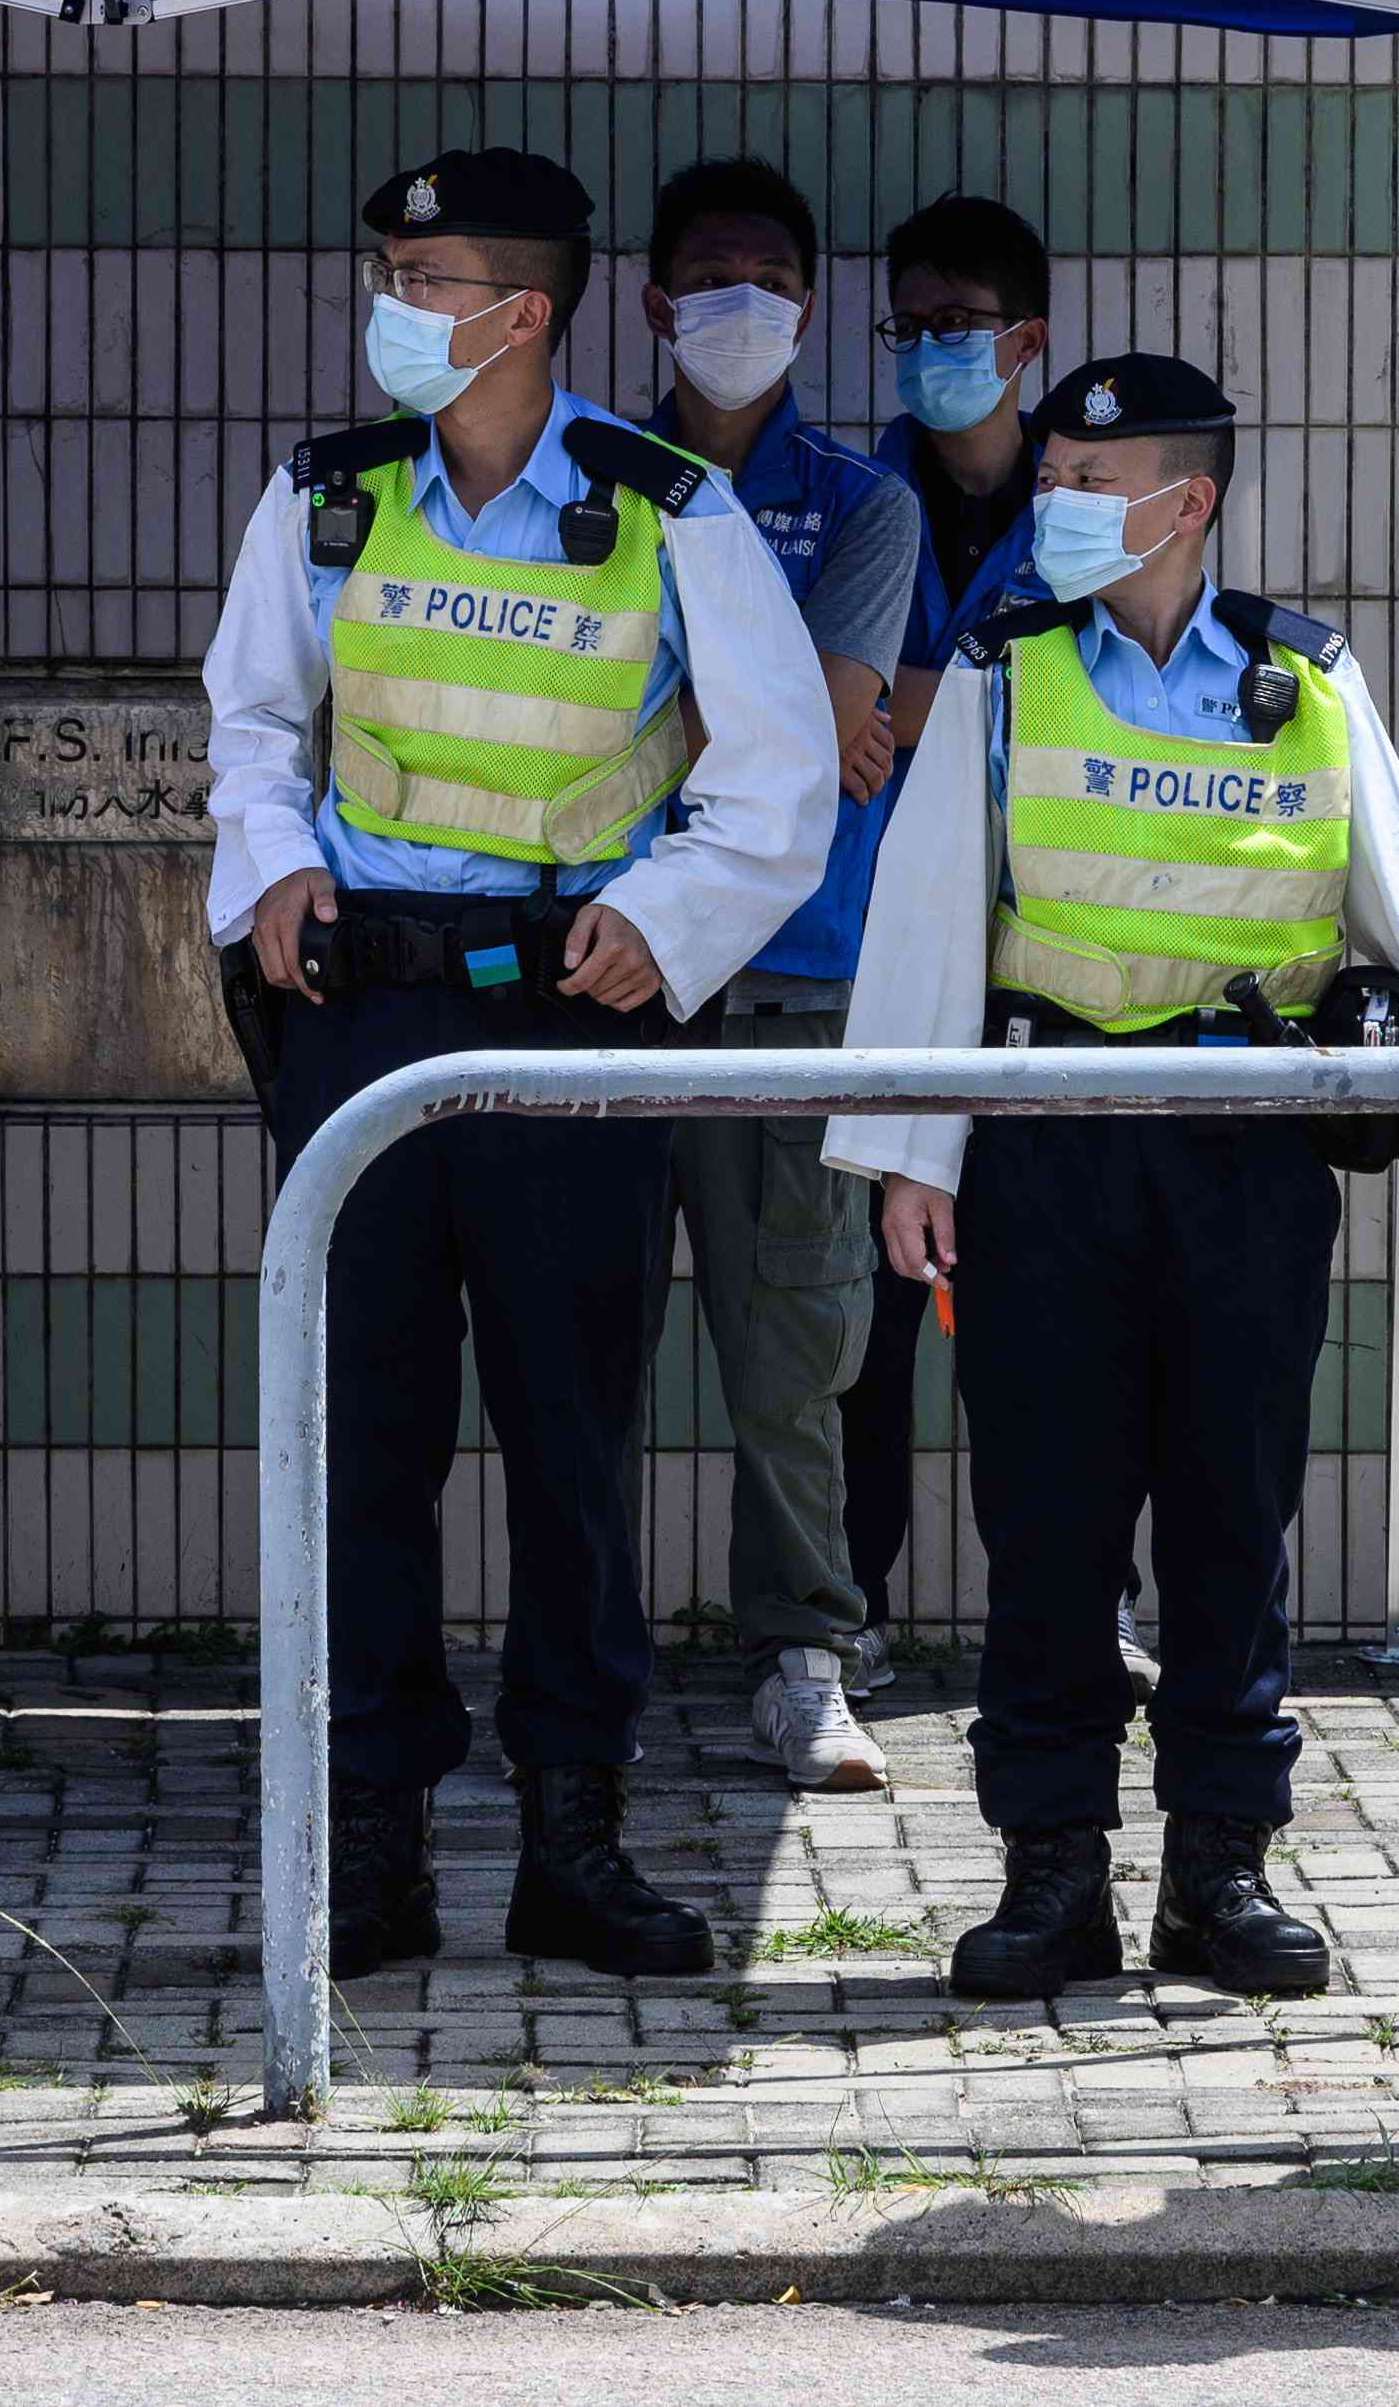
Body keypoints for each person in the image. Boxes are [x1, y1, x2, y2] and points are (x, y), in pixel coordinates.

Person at [201, 149, 833, 1979]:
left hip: (571, 1009)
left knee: (573, 1441)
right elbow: (251, 720)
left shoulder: (670, 510)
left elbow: (778, 773)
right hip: (365, 1009)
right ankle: (373, 1853)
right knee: (362, 1433)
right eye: (388, 270)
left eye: (424, 275)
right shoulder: (326, 500)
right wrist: (274, 867)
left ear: (521, 313)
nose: (391, 303)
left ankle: (575, 1839)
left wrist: (676, 913)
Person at [831, 352, 1399, 2000]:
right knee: (1047, 1524)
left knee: (1232, 1521)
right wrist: (907, 1155)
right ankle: (1048, 1876)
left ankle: (1220, 1874)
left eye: (1082, 478)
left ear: (1184, 502)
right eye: (1048, 471)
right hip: (1043, 1148)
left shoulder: (1307, 677)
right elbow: (928, 917)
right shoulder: (1001, 672)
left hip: (1246, 1159)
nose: (1049, 501)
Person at [637, 156, 922, 1794]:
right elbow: (797, 733)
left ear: (810, 308)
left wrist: (733, 723)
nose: (740, 304)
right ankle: (580, 1642)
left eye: (773, 276)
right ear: (656, 301)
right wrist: (786, 724)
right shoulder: (582, 475)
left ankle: (803, 1649)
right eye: (709, 275)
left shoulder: (861, 500)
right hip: (608, 982)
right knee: (582, 1343)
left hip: (801, 984)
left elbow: (816, 731)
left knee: (797, 1349)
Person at [852, 192, 1059, 1671]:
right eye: (911, 327)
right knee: (857, 1329)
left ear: (1026, 343)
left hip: (1042, 963)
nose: (932, 351)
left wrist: (906, 703)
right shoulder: (849, 497)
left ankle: (1063, 1615)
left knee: (1039, 1331)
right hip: (861, 959)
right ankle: (846, 1614)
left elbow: (1066, 722)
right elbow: (811, 709)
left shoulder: (1086, 510)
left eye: (961, 328)